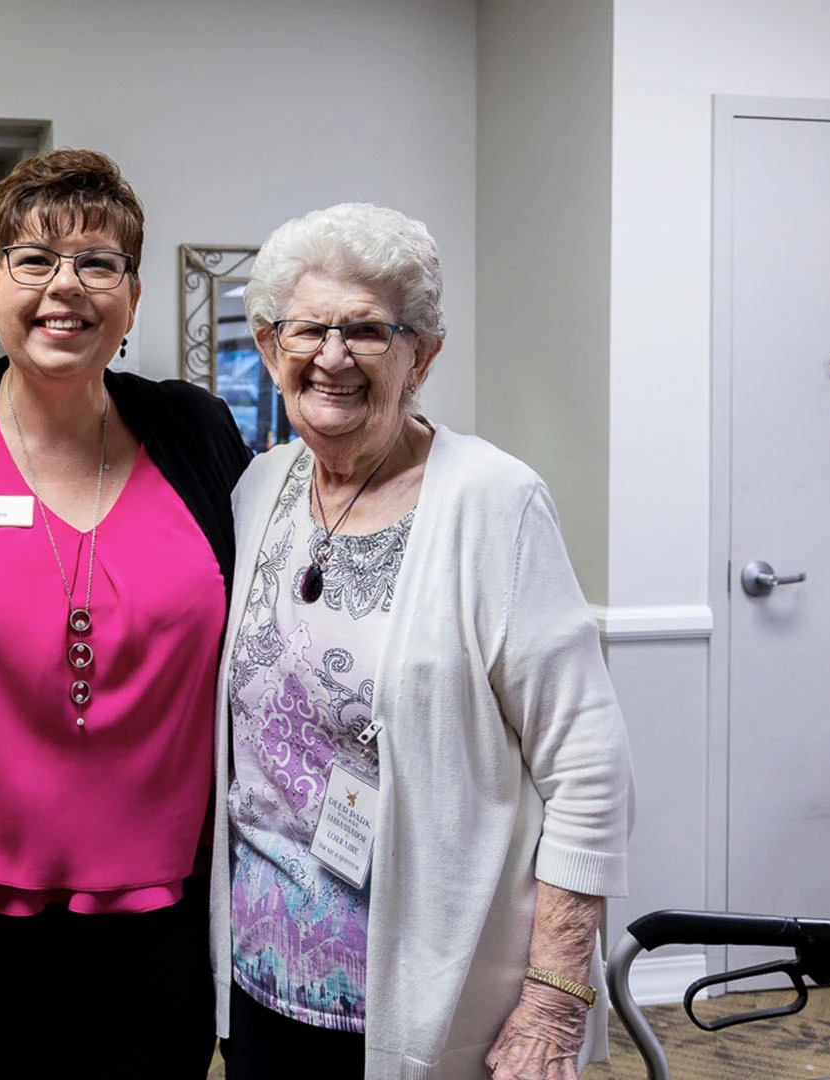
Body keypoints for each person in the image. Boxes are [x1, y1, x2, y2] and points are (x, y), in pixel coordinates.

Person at [210, 202, 634, 1080]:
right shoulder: (259, 489)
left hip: (430, 999)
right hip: (261, 978)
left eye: (367, 330)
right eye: (308, 329)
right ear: (270, 346)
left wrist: (556, 999)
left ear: (423, 355)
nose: (333, 356)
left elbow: (588, 768)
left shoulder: (494, 503)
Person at [0, 149, 251, 1080]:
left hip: (168, 918)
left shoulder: (196, 432)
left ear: (132, 298)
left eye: (98, 263)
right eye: (34, 259)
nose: (65, 286)